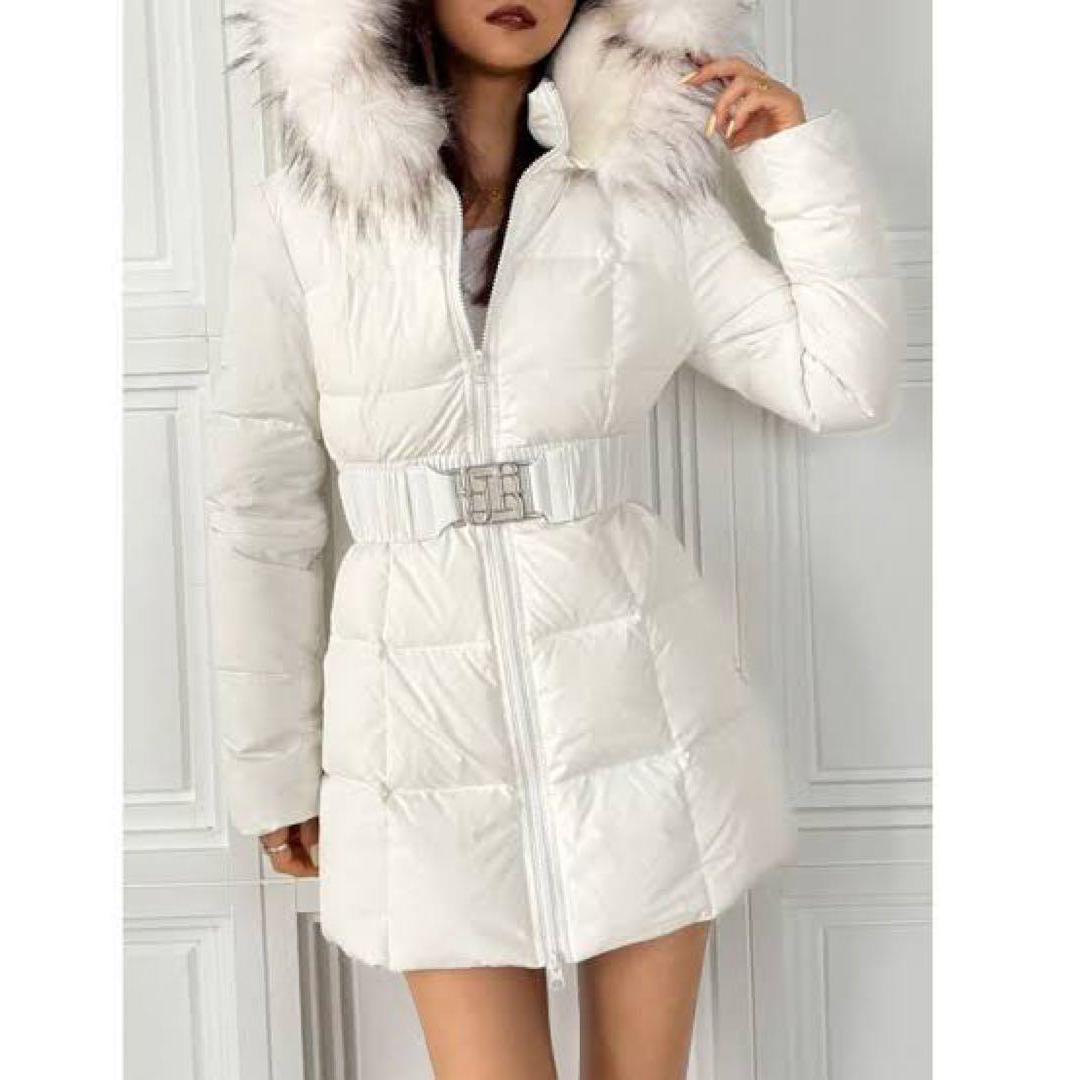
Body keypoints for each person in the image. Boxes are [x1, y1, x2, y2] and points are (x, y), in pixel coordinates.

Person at [205, 1, 904, 1075]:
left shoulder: (644, 188)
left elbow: (839, 380)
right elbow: (259, 505)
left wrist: (790, 160)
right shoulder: (304, 213)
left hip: (641, 715)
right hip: (417, 738)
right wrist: (272, 768)